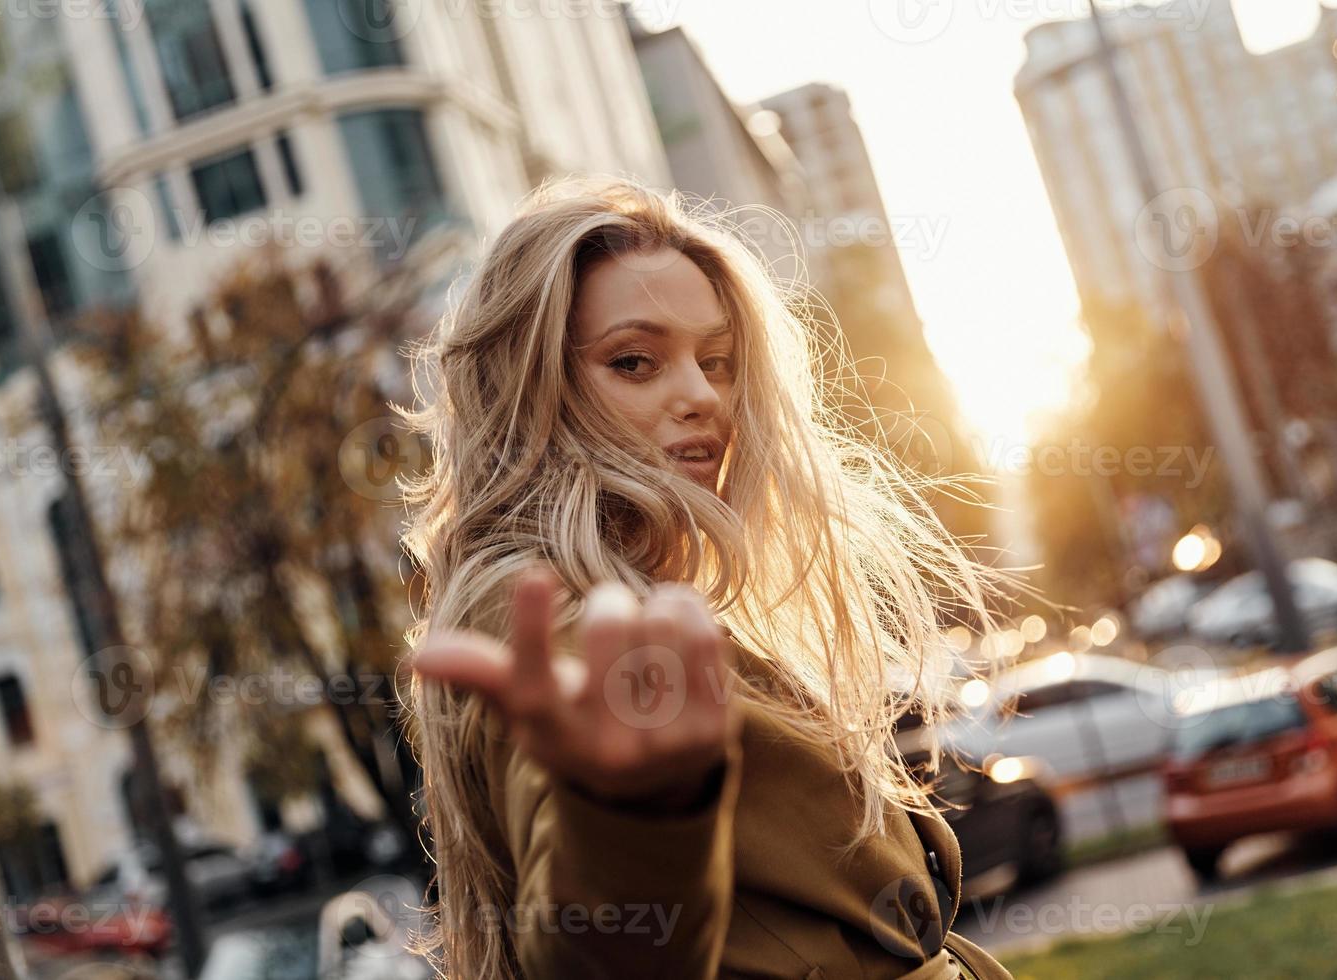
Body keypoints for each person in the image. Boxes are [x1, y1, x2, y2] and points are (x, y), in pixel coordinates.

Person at [401, 176, 1013, 979]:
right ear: (530, 389)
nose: (701, 396)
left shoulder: (647, 597)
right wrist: (633, 816)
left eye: (716, 360)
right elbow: (602, 954)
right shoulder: (547, 610)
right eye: (634, 361)